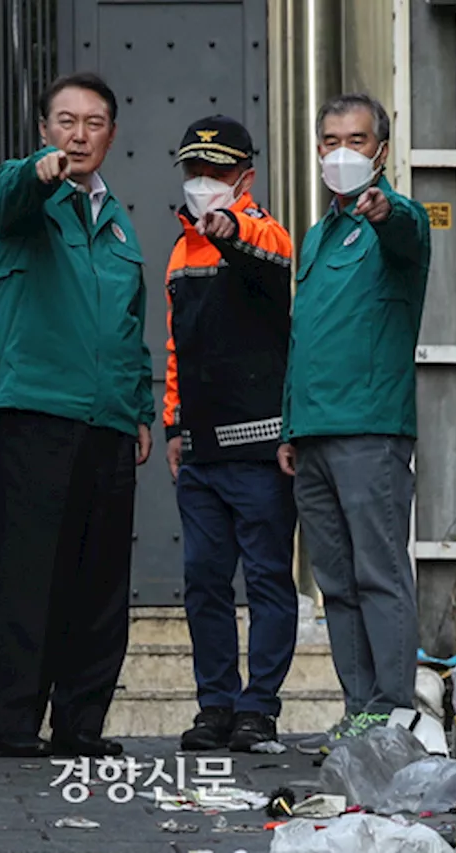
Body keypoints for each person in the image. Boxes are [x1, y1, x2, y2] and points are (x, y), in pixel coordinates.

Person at [0, 72, 153, 759]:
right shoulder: (23, 193)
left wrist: (140, 408)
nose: (79, 135)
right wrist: (39, 172)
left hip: (110, 422)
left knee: (100, 583)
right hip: (39, 414)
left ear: (111, 134)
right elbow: (13, 194)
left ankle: (81, 723)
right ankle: (16, 724)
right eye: (66, 121)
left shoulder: (119, 222)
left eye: (93, 123)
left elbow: (130, 324)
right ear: (45, 128)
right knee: (30, 574)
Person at [278, 93, 431, 754]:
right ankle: (360, 710)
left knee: (379, 573)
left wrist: (385, 208)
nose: (341, 152)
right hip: (312, 432)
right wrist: (289, 424)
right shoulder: (316, 235)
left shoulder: (397, 219)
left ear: (382, 151)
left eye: (357, 140)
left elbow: (402, 228)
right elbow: (304, 334)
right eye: (330, 140)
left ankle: (394, 712)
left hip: (370, 429)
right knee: (335, 583)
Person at [161, 116, 298, 752]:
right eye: (195, 171)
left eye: (217, 172)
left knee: (269, 579)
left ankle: (258, 708)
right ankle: (214, 704)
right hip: (200, 454)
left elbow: (267, 252)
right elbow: (175, 347)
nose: (204, 183)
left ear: (245, 175)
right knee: (204, 583)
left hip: (261, 450)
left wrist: (232, 228)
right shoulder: (180, 250)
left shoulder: (264, 231)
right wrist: (172, 426)